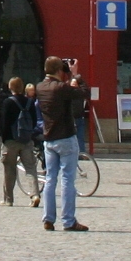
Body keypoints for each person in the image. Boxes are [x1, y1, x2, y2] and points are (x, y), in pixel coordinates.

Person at [33, 57, 89, 232]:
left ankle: (48, 218)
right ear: (59, 70)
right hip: (66, 137)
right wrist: (75, 75)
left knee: (50, 179)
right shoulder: (61, 88)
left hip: (49, 138)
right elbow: (83, 93)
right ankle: (68, 220)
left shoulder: (40, 87)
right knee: (67, 180)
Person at [0, 76, 42, 207]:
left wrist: (4, 139)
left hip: (11, 141)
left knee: (9, 169)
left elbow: (4, 123)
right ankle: (35, 195)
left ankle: (8, 199)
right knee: (30, 169)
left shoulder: (8, 102)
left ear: (10, 87)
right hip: (26, 140)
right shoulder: (29, 102)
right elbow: (34, 121)